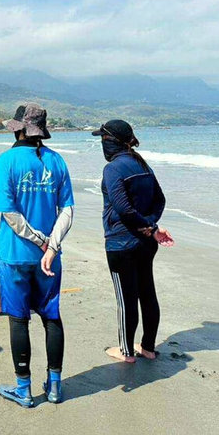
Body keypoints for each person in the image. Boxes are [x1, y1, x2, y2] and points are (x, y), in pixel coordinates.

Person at [0, 103, 75, 407]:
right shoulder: (57, 161)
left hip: (16, 254)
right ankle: (54, 387)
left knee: (18, 319)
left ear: (18, 128)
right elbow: (67, 210)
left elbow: (10, 214)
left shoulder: (7, 161)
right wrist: (51, 246)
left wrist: (41, 241)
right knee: (51, 317)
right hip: (49, 260)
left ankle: (24, 389)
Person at [92, 119, 174, 363]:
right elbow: (160, 201)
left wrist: (147, 226)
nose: (101, 144)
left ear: (110, 141)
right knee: (147, 292)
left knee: (126, 298)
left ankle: (126, 352)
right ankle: (148, 347)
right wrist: (150, 226)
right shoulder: (141, 164)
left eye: (102, 139)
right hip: (145, 242)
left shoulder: (113, 168)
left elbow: (123, 208)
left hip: (121, 244)